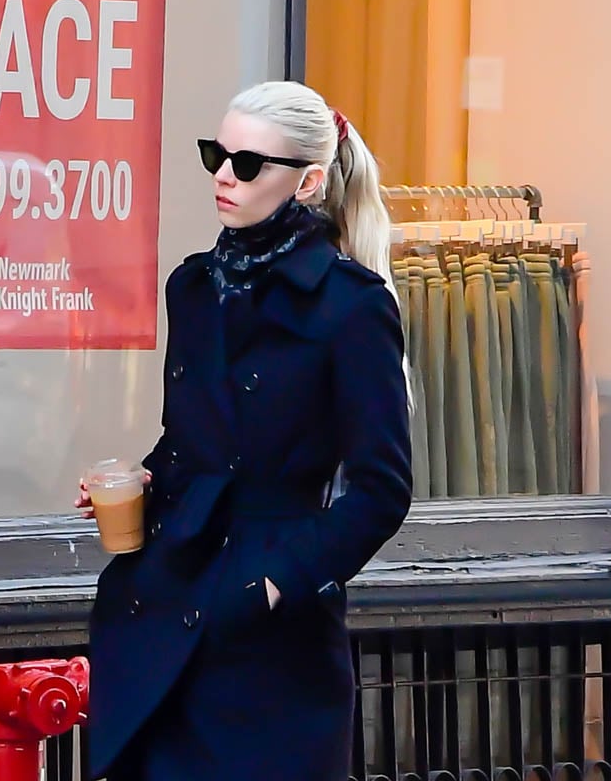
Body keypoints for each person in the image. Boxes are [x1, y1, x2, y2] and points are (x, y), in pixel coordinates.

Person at [76, 80, 413, 781]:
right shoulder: (193, 287)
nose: (225, 175)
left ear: (309, 181)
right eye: (216, 154)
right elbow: (191, 442)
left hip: (268, 636)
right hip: (167, 598)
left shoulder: (351, 307)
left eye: (250, 163)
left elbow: (382, 490)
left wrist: (274, 585)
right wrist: (146, 478)